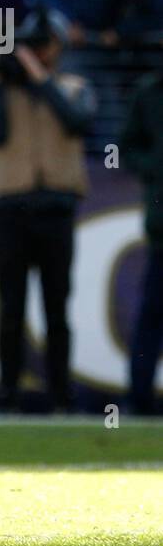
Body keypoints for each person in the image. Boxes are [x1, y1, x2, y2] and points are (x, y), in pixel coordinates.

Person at [0, 12, 96, 412]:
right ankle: (7, 394)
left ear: (55, 49)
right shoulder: (2, 91)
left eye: (39, 46)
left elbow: (77, 121)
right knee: (10, 306)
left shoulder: (73, 86)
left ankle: (61, 397)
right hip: (11, 208)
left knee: (56, 306)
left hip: (56, 209)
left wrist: (39, 77)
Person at [119, 64, 163, 415]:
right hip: (162, 226)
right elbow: (127, 146)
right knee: (152, 314)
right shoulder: (148, 92)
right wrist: (154, 167)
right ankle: (139, 397)